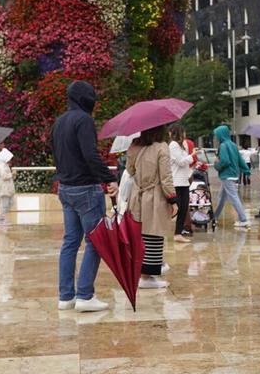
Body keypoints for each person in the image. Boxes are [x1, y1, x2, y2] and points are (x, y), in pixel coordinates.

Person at [51, 81, 116, 313]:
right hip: (86, 189)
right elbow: (90, 155)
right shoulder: (84, 120)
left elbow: (58, 154)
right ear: (86, 99)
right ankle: (85, 296)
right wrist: (109, 178)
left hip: (66, 188)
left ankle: (66, 296)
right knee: (96, 242)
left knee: (70, 242)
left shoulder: (59, 122)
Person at [128, 126, 179, 290]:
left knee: (140, 235)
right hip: (155, 196)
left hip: (137, 196)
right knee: (154, 234)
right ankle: (147, 277)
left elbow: (130, 170)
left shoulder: (134, 146)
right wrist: (173, 200)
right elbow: (166, 177)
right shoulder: (161, 147)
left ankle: (142, 273)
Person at [211, 125, 250, 229]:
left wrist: (216, 165)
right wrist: (246, 170)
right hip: (233, 175)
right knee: (221, 198)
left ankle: (243, 219)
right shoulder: (233, 145)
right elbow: (240, 160)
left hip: (227, 175)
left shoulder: (223, 146)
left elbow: (225, 161)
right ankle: (214, 217)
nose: (216, 137)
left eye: (217, 135)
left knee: (233, 197)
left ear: (221, 135)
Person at [168, 126, 195, 242]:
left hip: (184, 181)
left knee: (184, 208)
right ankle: (170, 231)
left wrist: (190, 156)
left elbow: (186, 162)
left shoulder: (182, 145)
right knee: (176, 209)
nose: (185, 134)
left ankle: (178, 233)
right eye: (183, 132)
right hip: (176, 181)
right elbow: (181, 162)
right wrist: (192, 155)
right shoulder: (173, 145)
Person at [0, 147, 15, 223]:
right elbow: (4, 176)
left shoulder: (5, 165)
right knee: (4, 203)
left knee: (10, 202)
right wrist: (12, 174)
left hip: (7, 187)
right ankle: (0, 218)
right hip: (4, 187)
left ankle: (1, 217)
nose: (10, 160)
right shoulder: (1, 166)